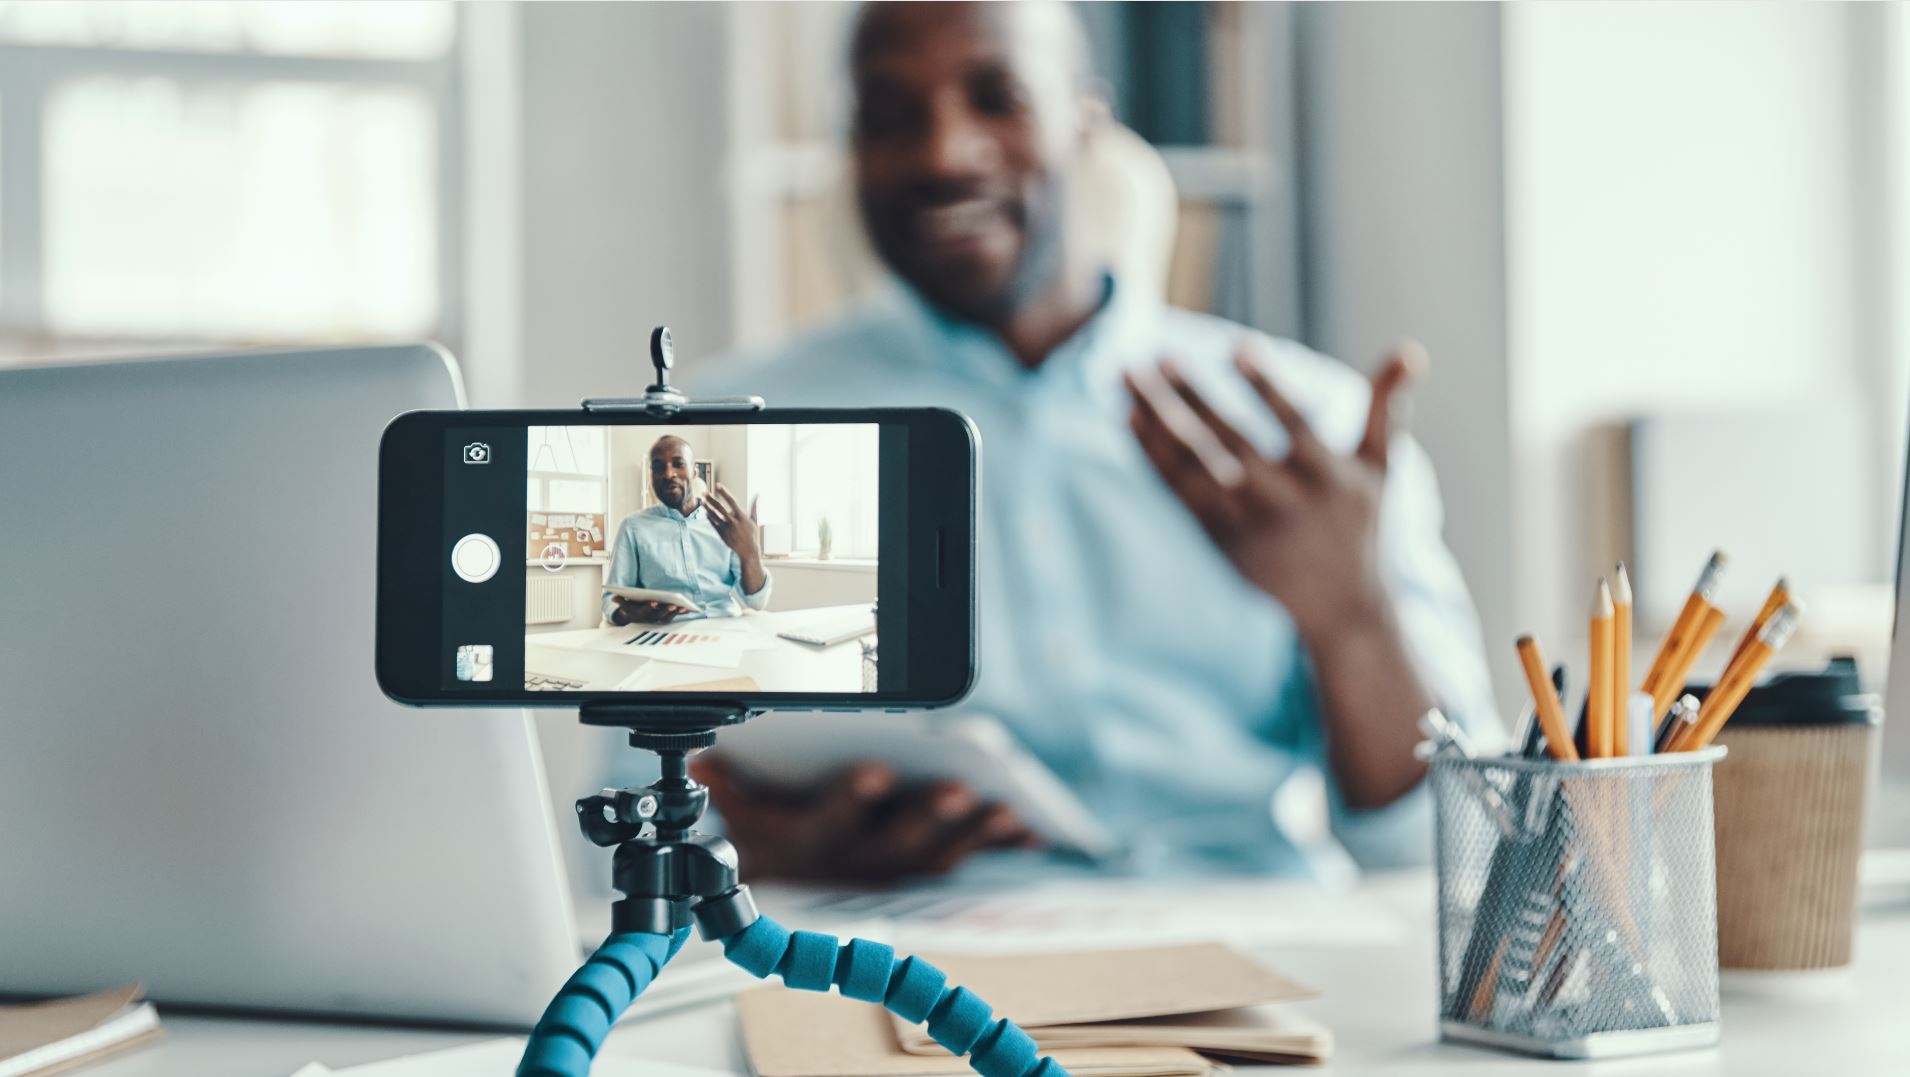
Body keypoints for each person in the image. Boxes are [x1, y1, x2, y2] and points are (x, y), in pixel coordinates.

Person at [687, 1, 1500, 882]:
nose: (944, 153)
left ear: (1085, 120)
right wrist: (763, 854)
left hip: (1262, 951)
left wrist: (1354, 618)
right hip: (897, 965)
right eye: (889, 117)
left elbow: (1451, 856)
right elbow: (620, 834)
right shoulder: (731, 431)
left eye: (997, 97)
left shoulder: (1308, 431)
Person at [601, 435, 771, 625]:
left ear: (694, 471)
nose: (668, 474)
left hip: (724, 627)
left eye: (678, 464)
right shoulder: (633, 527)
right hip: (664, 632)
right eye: (658, 467)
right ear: (651, 475)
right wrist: (629, 615)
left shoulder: (726, 526)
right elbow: (611, 601)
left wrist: (751, 553)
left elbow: (755, 602)